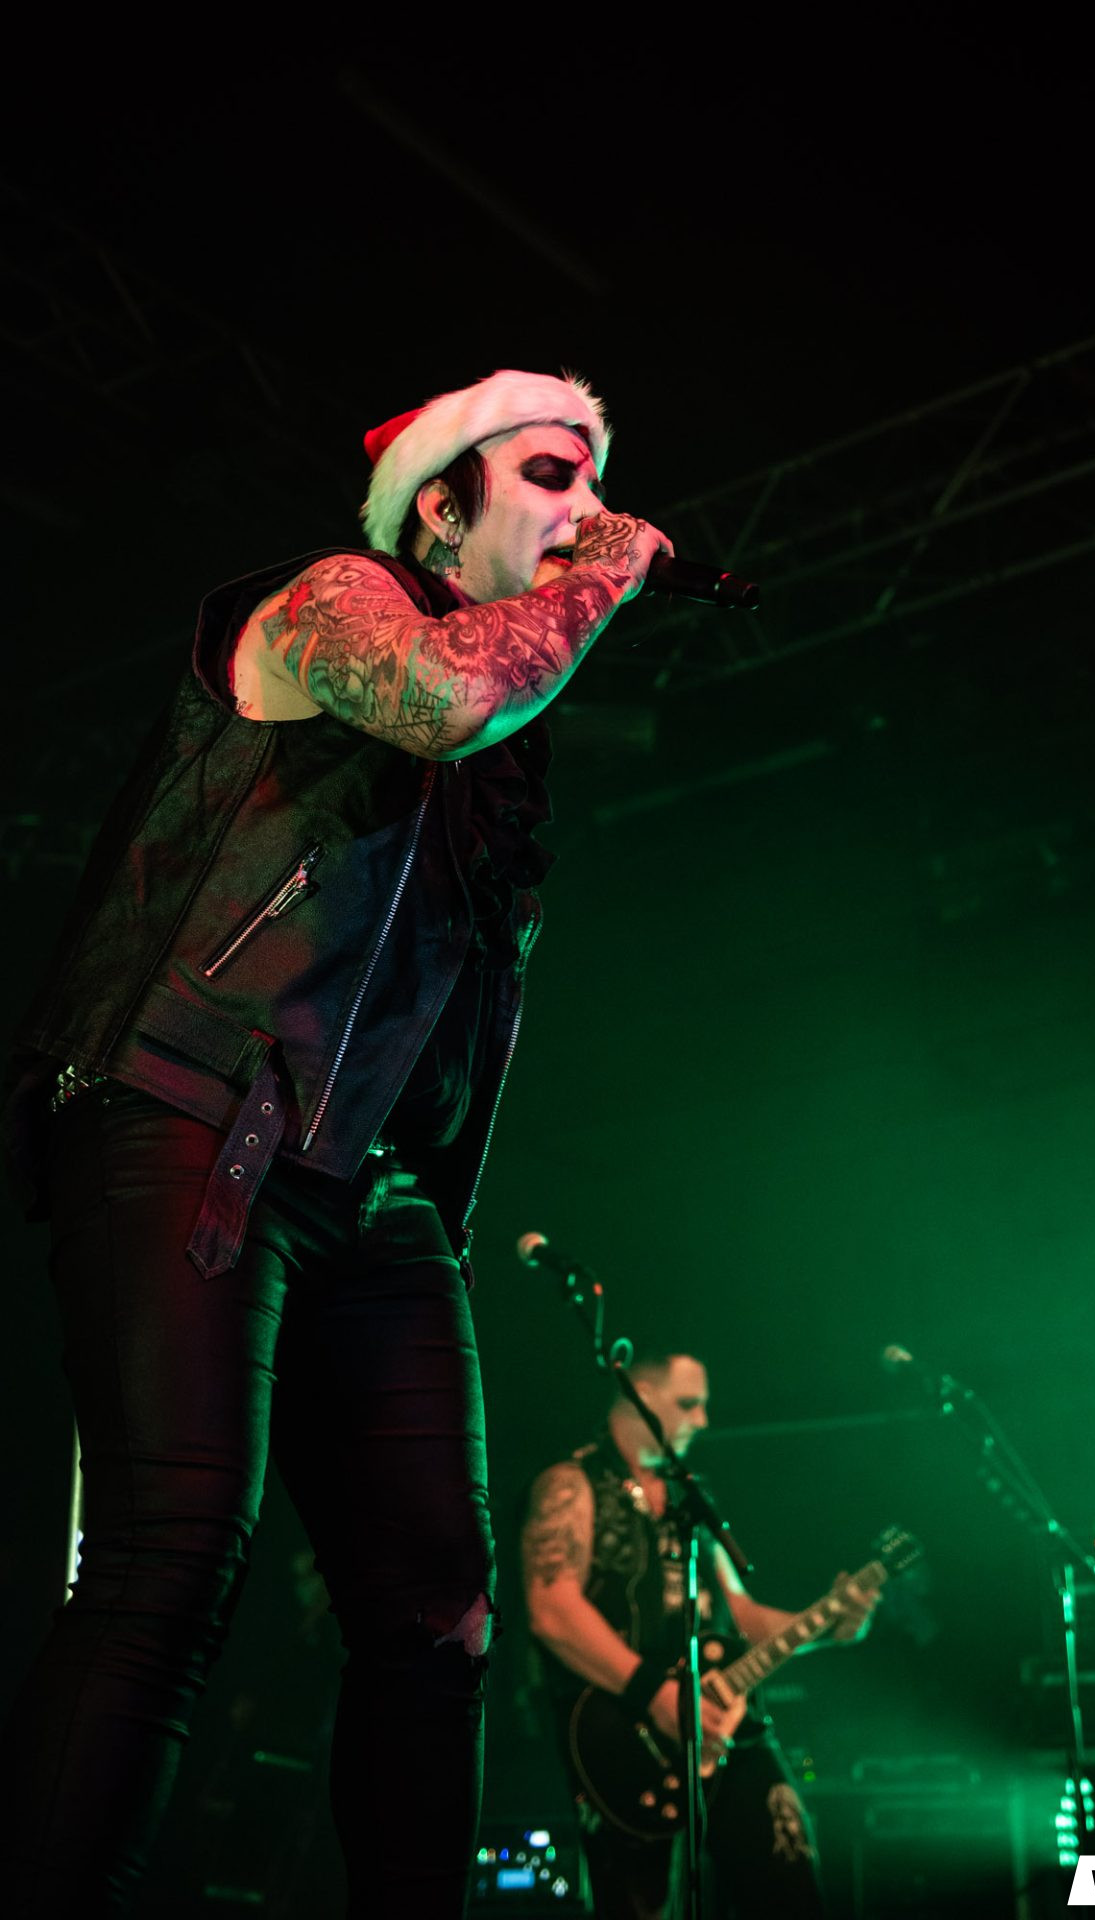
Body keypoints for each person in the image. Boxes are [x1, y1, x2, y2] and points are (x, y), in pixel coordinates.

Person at [0, 368, 672, 1917]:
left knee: (440, 1620)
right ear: (438, 503)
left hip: (375, 1191)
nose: (588, 510)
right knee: (169, 1563)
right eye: (552, 475)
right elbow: (440, 694)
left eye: (597, 484)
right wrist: (608, 573)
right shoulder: (330, 602)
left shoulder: (511, 744)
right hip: (193, 1110)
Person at [521, 1351, 878, 1919]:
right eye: (688, 1404)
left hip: (721, 1721)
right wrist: (656, 1696)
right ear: (640, 1394)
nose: (703, 1421)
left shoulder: (690, 1499)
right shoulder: (571, 1484)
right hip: (621, 1736)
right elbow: (552, 1609)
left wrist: (828, 1625)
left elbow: (740, 1615)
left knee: (791, 1888)